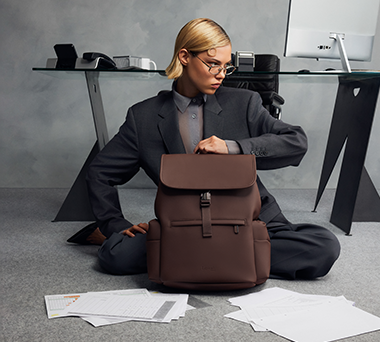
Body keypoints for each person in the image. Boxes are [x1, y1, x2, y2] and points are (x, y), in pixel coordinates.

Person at [81, 18, 340, 280]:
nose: (221, 74)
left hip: (251, 221)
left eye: (227, 67)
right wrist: (115, 224)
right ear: (184, 56)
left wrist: (233, 148)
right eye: (213, 64)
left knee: (324, 246)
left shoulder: (245, 102)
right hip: (184, 226)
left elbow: (296, 142)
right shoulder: (143, 117)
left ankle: (196, 260)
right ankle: (236, 260)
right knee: (115, 254)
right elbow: (100, 173)